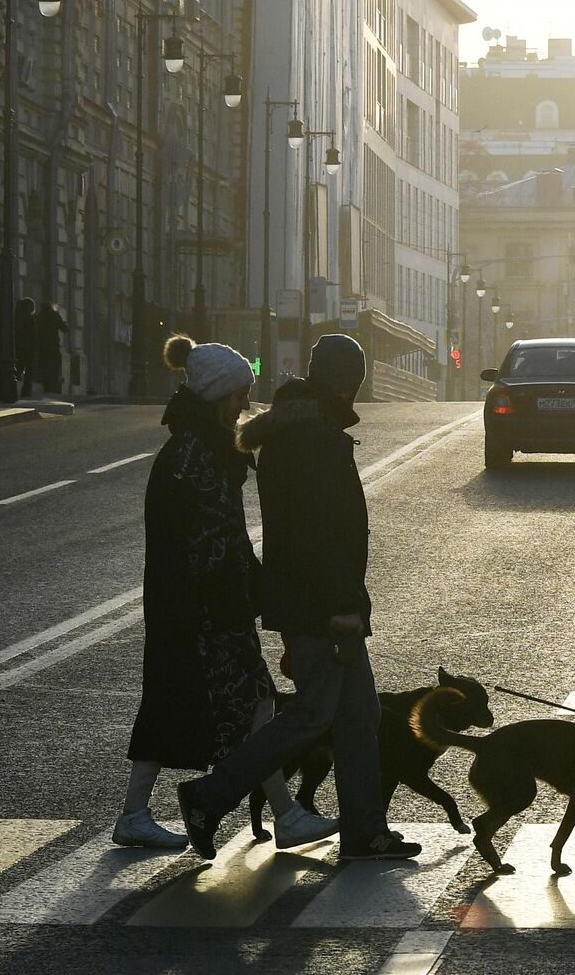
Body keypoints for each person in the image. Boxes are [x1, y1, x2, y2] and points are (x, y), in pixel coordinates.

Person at [177, 334, 419, 863]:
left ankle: (363, 831)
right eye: (355, 376)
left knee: (359, 715)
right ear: (344, 380)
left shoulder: (295, 431)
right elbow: (322, 535)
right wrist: (343, 606)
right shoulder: (316, 440)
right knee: (312, 714)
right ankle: (209, 795)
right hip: (324, 604)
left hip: (311, 597)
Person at [115, 342, 339, 851]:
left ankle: (280, 815)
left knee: (208, 704)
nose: (244, 404)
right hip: (205, 608)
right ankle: (282, 816)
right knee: (240, 703)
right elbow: (217, 537)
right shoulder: (198, 454)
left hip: (192, 604)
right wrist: (256, 589)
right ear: (218, 396)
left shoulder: (194, 445)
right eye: (240, 394)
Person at [33, 301, 69, 394]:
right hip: (53, 345)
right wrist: (64, 321)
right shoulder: (54, 315)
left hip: (41, 345)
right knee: (54, 366)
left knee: (43, 365)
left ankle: (46, 386)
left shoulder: (39, 316)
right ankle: (53, 387)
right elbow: (65, 329)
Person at [14, 297, 37, 398]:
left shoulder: (17, 317)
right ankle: (26, 390)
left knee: (18, 368)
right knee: (29, 370)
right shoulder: (30, 318)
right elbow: (33, 333)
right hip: (29, 347)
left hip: (19, 346)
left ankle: (14, 386)